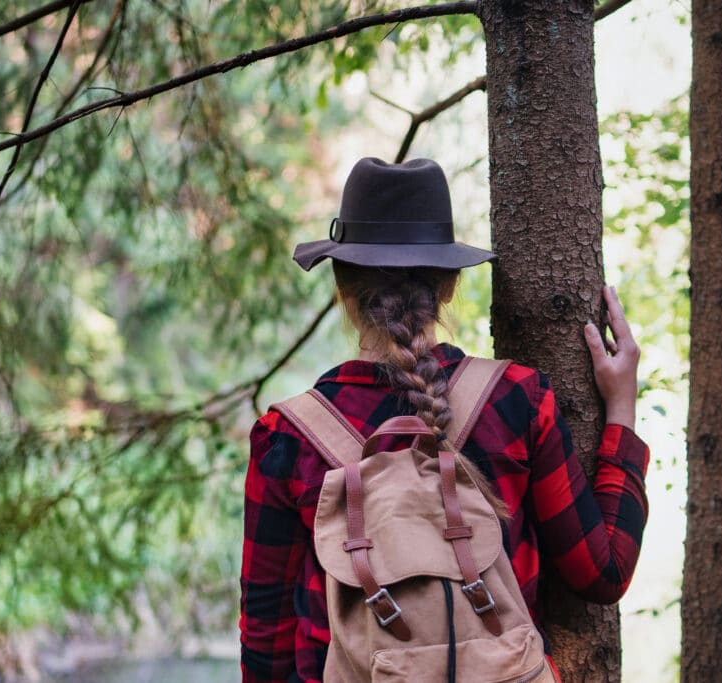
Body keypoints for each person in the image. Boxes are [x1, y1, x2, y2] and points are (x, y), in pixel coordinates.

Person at [240, 157, 649, 683]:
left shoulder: (288, 437)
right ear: (450, 286)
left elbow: (266, 646)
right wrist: (621, 409)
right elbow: (603, 573)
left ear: (341, 287)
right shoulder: (518, 401)